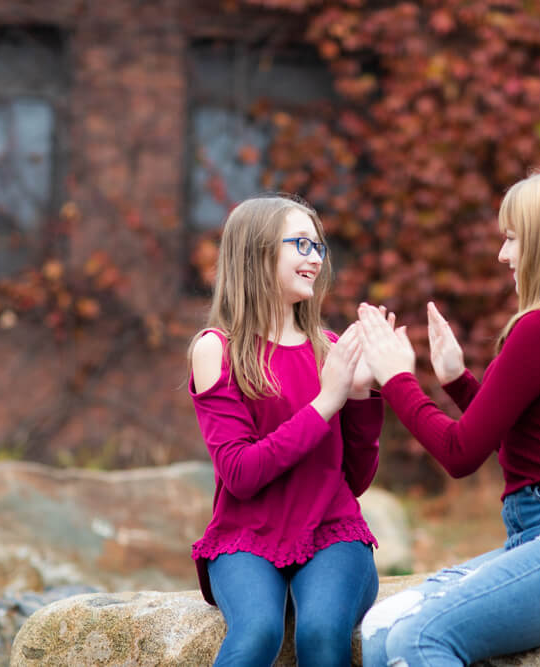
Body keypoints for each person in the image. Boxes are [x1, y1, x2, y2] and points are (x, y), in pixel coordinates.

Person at [356, 168, 540, 666]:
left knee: (416, 639)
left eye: (513, 238)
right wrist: (456, 381)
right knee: (381, 629)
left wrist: (397, 378)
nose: (503, 255)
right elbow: (527, 440)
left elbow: (460, 453)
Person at [188, 195, 384, 666]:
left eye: (318, 246)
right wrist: (325, 402)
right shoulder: (218, 349)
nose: (315, 258)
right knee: (257, 631)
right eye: (300, 244)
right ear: (256, 252)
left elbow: (354, 479)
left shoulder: (329, 350)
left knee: (321, 632)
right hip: (246, 536)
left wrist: (360, 396)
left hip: (332, 532)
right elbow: (240, 473)